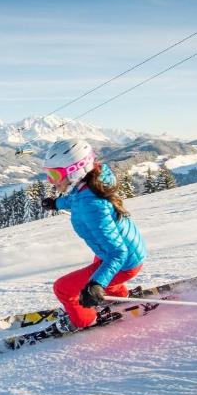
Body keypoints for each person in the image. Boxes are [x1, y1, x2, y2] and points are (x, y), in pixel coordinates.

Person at [40, 139, 146, 331]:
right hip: (130, 249)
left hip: (124, 261)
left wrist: (96, 284)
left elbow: (117, 254)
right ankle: (119, 298)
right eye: (48, 174)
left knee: (63, 288)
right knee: (100, 264)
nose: (50, 180)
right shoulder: (93, 182)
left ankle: (84, 320)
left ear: (75, 171)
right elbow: (77, 199)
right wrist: (57, 204)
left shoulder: (92, 205)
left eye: (54, 174)